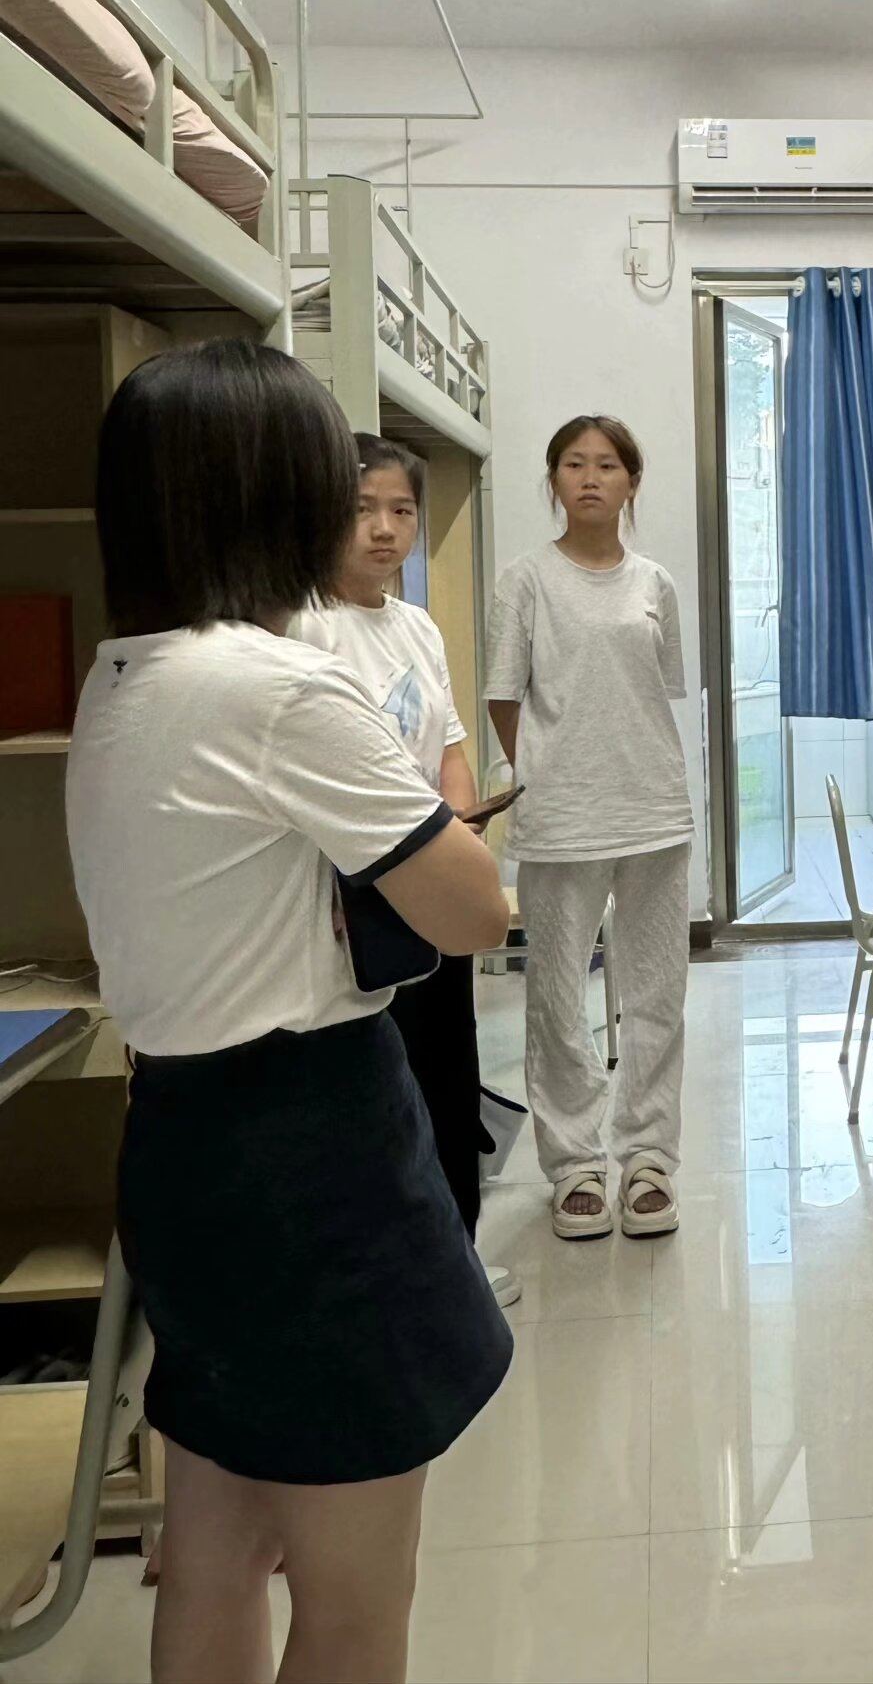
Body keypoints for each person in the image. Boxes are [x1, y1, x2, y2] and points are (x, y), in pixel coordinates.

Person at [65, 341, 512, 1684]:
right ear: (273, 499)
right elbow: (475, 911)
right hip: (310, 1159)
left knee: (215, 1548)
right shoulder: (277, 689)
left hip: (181, 1140)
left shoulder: (122, 674)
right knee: (355, 1595)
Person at [294, 434, 518, 1309]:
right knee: (375, 1090)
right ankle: (392, 1282)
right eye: (362, 510)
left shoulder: (416, 625)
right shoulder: (300, 626)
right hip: (351, 903)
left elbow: (450, 746)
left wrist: (462, 840)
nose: (384, 529)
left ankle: (457, 1260)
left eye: (401, 510)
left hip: (429, 884)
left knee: (445, 1075)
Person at [484, 416, 693, 1241]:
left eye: (608, 465)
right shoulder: (525, 579)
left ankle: (648, 1157)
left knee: (657, 994)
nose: (591, 477)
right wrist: (543, 769)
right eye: (574, 463)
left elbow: (656, 691)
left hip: (653, 808)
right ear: (554, 480)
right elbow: (504, 694)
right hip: (561, 817)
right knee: (557, 997)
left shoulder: (655, 582)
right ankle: (575, 1161)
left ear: (632, 482)